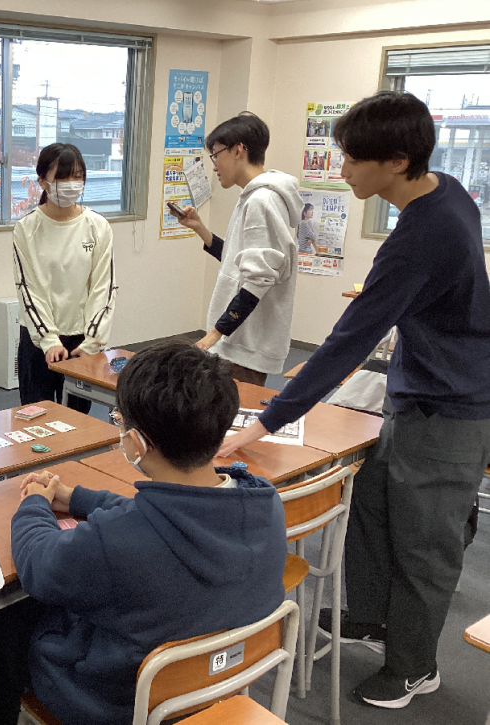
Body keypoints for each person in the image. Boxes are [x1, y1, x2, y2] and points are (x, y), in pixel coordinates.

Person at [221, 91, 490, 710]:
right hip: (415, 388)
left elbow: (347, 342)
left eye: (350, 159)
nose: (339, 170)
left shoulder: (423, 234)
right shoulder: (445, 190)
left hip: (452, 408)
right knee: (370, 500)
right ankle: (370, 615)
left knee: (425, 544)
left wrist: (264, 423)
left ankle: (415, 666)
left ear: (396, 161)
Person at [0, 341, 287, 725]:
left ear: (136, 442)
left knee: (6, 607)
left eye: (119, 421)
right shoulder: (264, 502)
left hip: (117, 700)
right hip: (217, 680)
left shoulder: (117, 541)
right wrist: (77, 497)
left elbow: (38, 562)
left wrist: (34, 501)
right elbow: (162, 513)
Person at [173, 112, 303, 386]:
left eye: (215, 155)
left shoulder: (262, 201)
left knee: (233, 412)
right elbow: (237, 260)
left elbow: (258, 279)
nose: (214, 166)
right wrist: (200, 228)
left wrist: (214, 335)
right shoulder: (253, 197)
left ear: (238, 150)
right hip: (236, 341)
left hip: (244, 344)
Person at [12, 143, 117, 413]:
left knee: (77, 419)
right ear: (42, 182)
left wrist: (92, 342)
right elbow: (29, 290)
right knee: (37, 417)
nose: (71, 183)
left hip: (82, 339)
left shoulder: (98, 226)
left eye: (77, 176)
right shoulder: (27, 228)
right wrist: (49, 340)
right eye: (62, 177)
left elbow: (103, 288)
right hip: (38, 339)